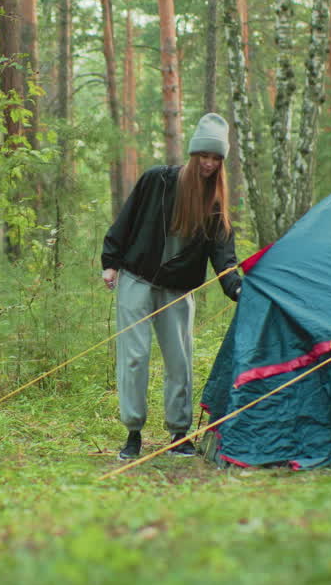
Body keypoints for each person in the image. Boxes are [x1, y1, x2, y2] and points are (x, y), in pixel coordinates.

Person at [101, 112, 243, 460]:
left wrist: (238, 289)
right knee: (134, 358)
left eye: (216, 158)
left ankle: (178, 435)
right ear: (194, 155)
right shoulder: (157, 181)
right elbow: (126, 220)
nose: (209, 164)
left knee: (179, 361)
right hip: (136, 278)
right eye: (204, 156)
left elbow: (224, 258)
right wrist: (110, 262)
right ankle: (133, 434)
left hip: (177, 289)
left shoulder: (215, 206)